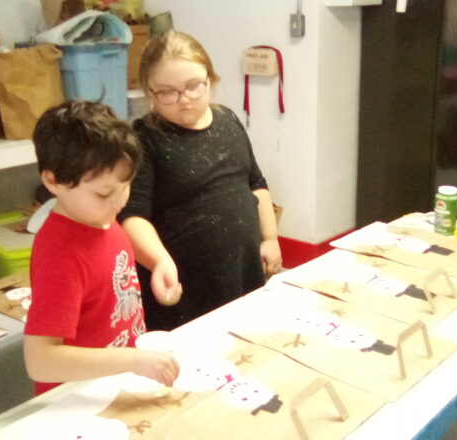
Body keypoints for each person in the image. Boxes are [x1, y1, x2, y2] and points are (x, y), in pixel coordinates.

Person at [119, 30, 282, 331]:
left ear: (210, 79)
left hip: (242, 271)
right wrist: (158, 262)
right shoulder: (145, 139)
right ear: (148, 91)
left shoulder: (228, 121)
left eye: (193, 86)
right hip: (184, 283)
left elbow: (255, 183)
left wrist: (270, 237)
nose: (183, 100)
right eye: (167, 92)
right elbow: (132, 217)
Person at [23, 100, 179, 395]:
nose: (120, 202)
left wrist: (157, 263)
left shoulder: (99, 216)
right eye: (105, 193)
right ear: (54, 181)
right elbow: (39, 360)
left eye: (126, 185)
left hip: (113, 383)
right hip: (76, 400)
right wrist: (132, 360)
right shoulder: (61, 254)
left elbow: (108, 256)